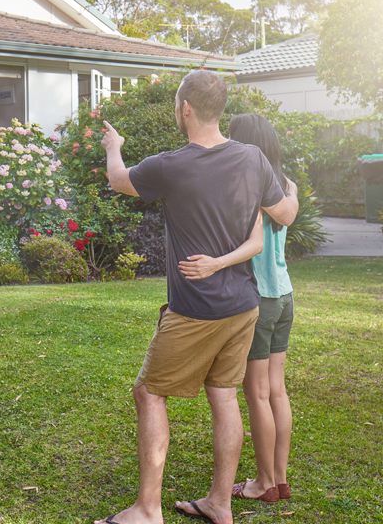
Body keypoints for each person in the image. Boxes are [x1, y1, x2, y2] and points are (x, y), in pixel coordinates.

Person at [94, 70, 298, 524]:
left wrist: (114, 148)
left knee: (149, 393)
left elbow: (118, 181)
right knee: (224, 395)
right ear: (219, 108)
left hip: (195, 310)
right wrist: (278, 193)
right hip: (245, 305)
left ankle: (148, 509)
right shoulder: (253, 159)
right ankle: (219, 503)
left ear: (186, 108)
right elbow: (284, 212)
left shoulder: (170, 165)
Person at [224, 114, 297, 505]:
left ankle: (263, 482)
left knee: (256, 393)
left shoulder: (246, 186)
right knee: (277, 391)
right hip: (284, 295)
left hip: (259, 297)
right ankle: (279, 479)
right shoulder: (286, 185)